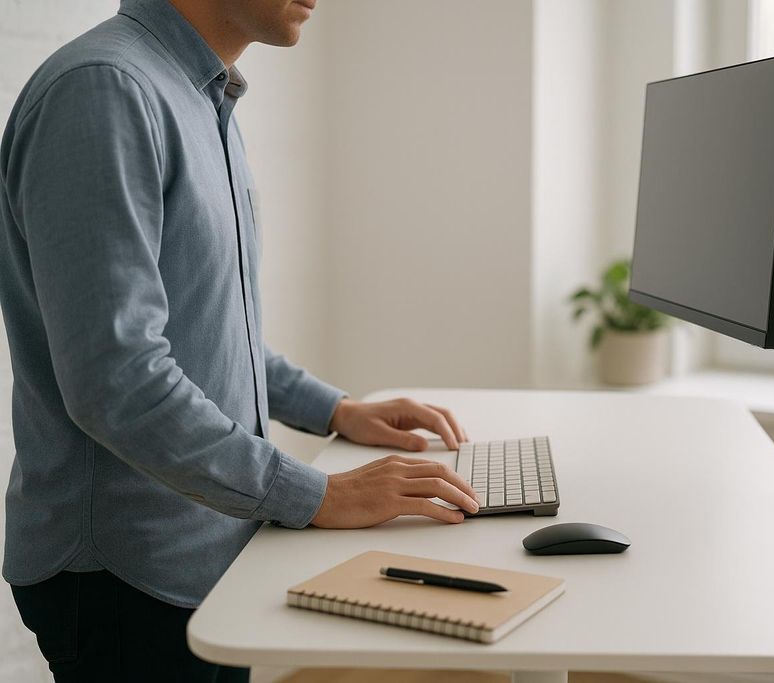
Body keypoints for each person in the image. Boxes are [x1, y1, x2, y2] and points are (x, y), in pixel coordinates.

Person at [0, 1, 480, 680]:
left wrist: (334, 409)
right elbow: (118, 379)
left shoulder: (199, 95)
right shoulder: (105, 91)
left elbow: (211, 324)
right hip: (124, 577)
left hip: (201, 554)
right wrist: (320, 495)